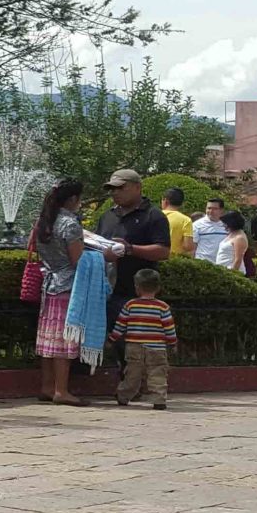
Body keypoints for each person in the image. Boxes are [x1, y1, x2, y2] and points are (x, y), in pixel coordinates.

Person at [93, 170, 173, 334]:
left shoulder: (153, 216)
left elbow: (163, 251)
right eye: (112, 189)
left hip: (136, 293)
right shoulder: (107, 216)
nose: (115, 192)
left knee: (132, 345)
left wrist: (129, 249)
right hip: (105, 292)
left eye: (121, 188)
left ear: (137, 187)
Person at [32, 179, 88, 405]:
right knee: (64, 341)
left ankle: (47, 386)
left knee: (47, 341)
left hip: (49, 284)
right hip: (67, 286)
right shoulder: (70, 224)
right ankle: (61, 390)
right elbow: (78, 260)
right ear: (73, 199)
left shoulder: (44, 221)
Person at [112, 268, 178, 409]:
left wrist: (112, 339)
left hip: (133, 346)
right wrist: (173, 343)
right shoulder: (163, 307)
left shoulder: (130, 305)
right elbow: (169, 328)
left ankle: (123, 396)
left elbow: (120, 325)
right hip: (157, 348)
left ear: (137, 288)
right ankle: (159, 399)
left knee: (132, 373)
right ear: (158, 288)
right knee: (157, 372)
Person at [212, 210, 253, 276]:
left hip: (232, 272)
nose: (223, 225)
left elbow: (238, 260)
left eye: (225, 223)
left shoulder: (239, 238)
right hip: (223, 271)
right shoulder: (231, 234)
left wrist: (232, 275)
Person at [191, 198, 229, 267]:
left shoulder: (228, 225)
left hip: (223, 266)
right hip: (202, 265)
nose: (211, 211)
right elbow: (193, 248)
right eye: (209, 208)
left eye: (215, 209)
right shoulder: (197, 225)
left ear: (221, 210)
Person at [160, 186, 195, 259]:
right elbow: (188, 246)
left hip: (155, 257)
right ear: (181, 203)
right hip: (175, 261)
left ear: (165, 201)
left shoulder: (155, 216)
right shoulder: (186, 220)